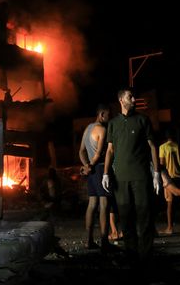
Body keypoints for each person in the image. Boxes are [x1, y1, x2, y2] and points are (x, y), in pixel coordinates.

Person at [102, 88, 168, 271]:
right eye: (130, 96)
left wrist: (156, 172)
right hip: (120, 179)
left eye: (133, 96)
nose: (134, 99)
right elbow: (110, 150)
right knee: (125, 218)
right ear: (121, 100)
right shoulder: (113, 124)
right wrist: (106, 173)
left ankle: (146, 257)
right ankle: (131, 256)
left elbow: (153, 146)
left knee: (144, 217)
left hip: (141, 177)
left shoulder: (142, 120)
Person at [78, 103, 117, 250]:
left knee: (91, 205)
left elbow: (81, 151)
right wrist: (91, 165)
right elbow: (100, 153)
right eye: (108, 115)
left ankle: (89, 241)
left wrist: (86, 166)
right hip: (100, 169)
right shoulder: (102, 129)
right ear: (102, 114)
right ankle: (104, 241)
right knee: (104, 205)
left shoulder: (88, 128)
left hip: (91, 173)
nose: (110, 118)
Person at [158, 128, 180, 235]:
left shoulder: (162, 147)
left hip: (170, 178)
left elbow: (162, 164)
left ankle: (170, 228)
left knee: (170, 204)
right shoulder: (178, 146)